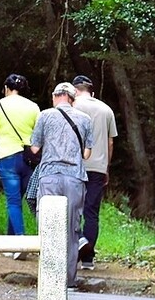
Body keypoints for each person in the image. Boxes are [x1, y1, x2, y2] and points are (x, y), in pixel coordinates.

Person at [30, 82, 93, 288]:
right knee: (72, 228)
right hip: (75, 177)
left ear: (55, 96)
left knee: (48, 225)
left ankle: (49, 278)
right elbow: (87, 153)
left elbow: (35, 148)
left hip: (49, 175)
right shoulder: (84, 119)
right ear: (72, 99)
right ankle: (69, 279)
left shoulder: (44, 115)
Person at [71, 74, 118, 271]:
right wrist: (106, 166)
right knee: (92, 213)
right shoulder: (106, 109)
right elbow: (110, 142)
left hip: (75, 165)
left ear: (74, 90)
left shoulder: (72, 107)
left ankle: (75, 251)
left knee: (73, 209)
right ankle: (88, 257)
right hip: (98, 167)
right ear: (92, 91)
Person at [0, 74, 41, 236]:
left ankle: (19, 242)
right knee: (19, 200)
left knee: (13, 201)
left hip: (6, 156)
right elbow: (39, 136)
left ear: (6, 88)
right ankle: (11, 242)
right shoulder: (34, 107)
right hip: (29, 158)